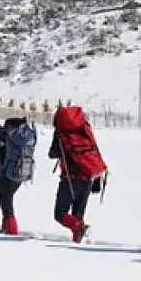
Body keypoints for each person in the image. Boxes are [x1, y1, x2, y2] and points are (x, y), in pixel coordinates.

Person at [49, 103, 107, 243]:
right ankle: (78, 243)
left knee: (60, 213)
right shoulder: (84, 128)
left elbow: (52, 153)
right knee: (78, 214)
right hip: (87, 176)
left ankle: (79, 228)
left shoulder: (61, 133)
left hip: (70, 178)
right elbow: (94, 150)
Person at [0, 110, 32, 235]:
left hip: (6, 175)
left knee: (6, 204)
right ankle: (5, 227)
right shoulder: (5, 132)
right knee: (6, 201)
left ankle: (11, 231)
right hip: (18, 170)